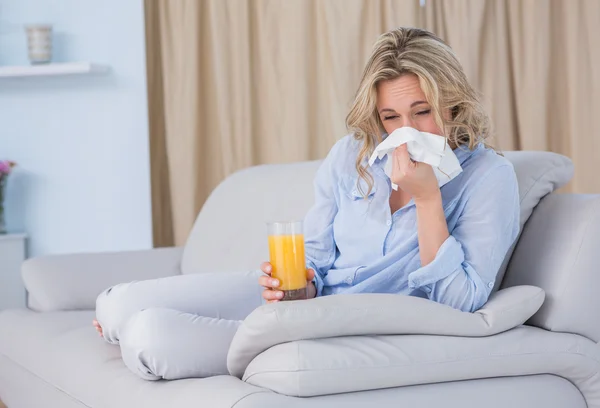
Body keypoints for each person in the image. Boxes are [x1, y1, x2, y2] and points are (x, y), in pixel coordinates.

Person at [93, 27, 520, 381]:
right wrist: (298, 283)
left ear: (453, 102)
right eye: (391, 117)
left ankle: (140, 338)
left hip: (352, 323)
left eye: (422, 111)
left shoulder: (487, 177)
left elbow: (459, 303)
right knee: (115, 305)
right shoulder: (351, 156)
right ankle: (127, 328)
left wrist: (428, 199)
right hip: (307, 305)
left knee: (149, 335)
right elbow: (315, 256)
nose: (406, 131)